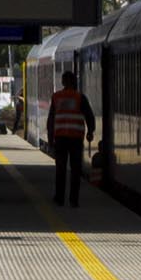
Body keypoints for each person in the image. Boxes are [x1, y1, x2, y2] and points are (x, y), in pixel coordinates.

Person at [45, 68, 95, 209]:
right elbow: (89, 116)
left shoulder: (56, 97)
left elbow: (51, 120)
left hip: (60, 138)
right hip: (75, 138)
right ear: (74, 82)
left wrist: (50, 139)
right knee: (75, 170)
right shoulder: (80, 98)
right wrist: (90, 131)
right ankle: (74, 200)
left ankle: (59, 198)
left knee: (60, 169)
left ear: (62, 82)